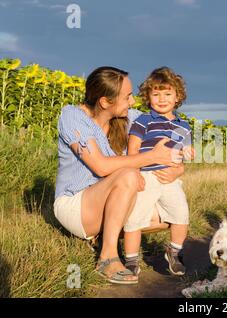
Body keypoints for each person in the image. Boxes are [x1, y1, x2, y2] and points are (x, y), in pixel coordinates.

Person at [54, 66, 184, 284]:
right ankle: (107, 257)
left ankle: (101, 236)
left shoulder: (130, 118)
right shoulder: (72, 117)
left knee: (170, 214)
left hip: (113, 201)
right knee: (128, 176)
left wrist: (178, 167)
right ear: (105, 102)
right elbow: (101, 167)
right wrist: (152, 157)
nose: (133, 102)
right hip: (77, 206)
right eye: (128, 97)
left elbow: (166, 132)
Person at [124, 67, 194, 276]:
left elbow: (183, 151)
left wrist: (188, 152)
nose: (162, 99)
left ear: (177, 96)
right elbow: (133, 150)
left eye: (167, 93)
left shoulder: (183, 125)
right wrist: (135, 172)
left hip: (170, 177)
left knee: (181, 214)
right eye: (156, 94)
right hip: (147, 175)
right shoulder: (143, 121)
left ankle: (174, 252)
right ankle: (131, 260)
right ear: (148, 96)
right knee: (135, 218)